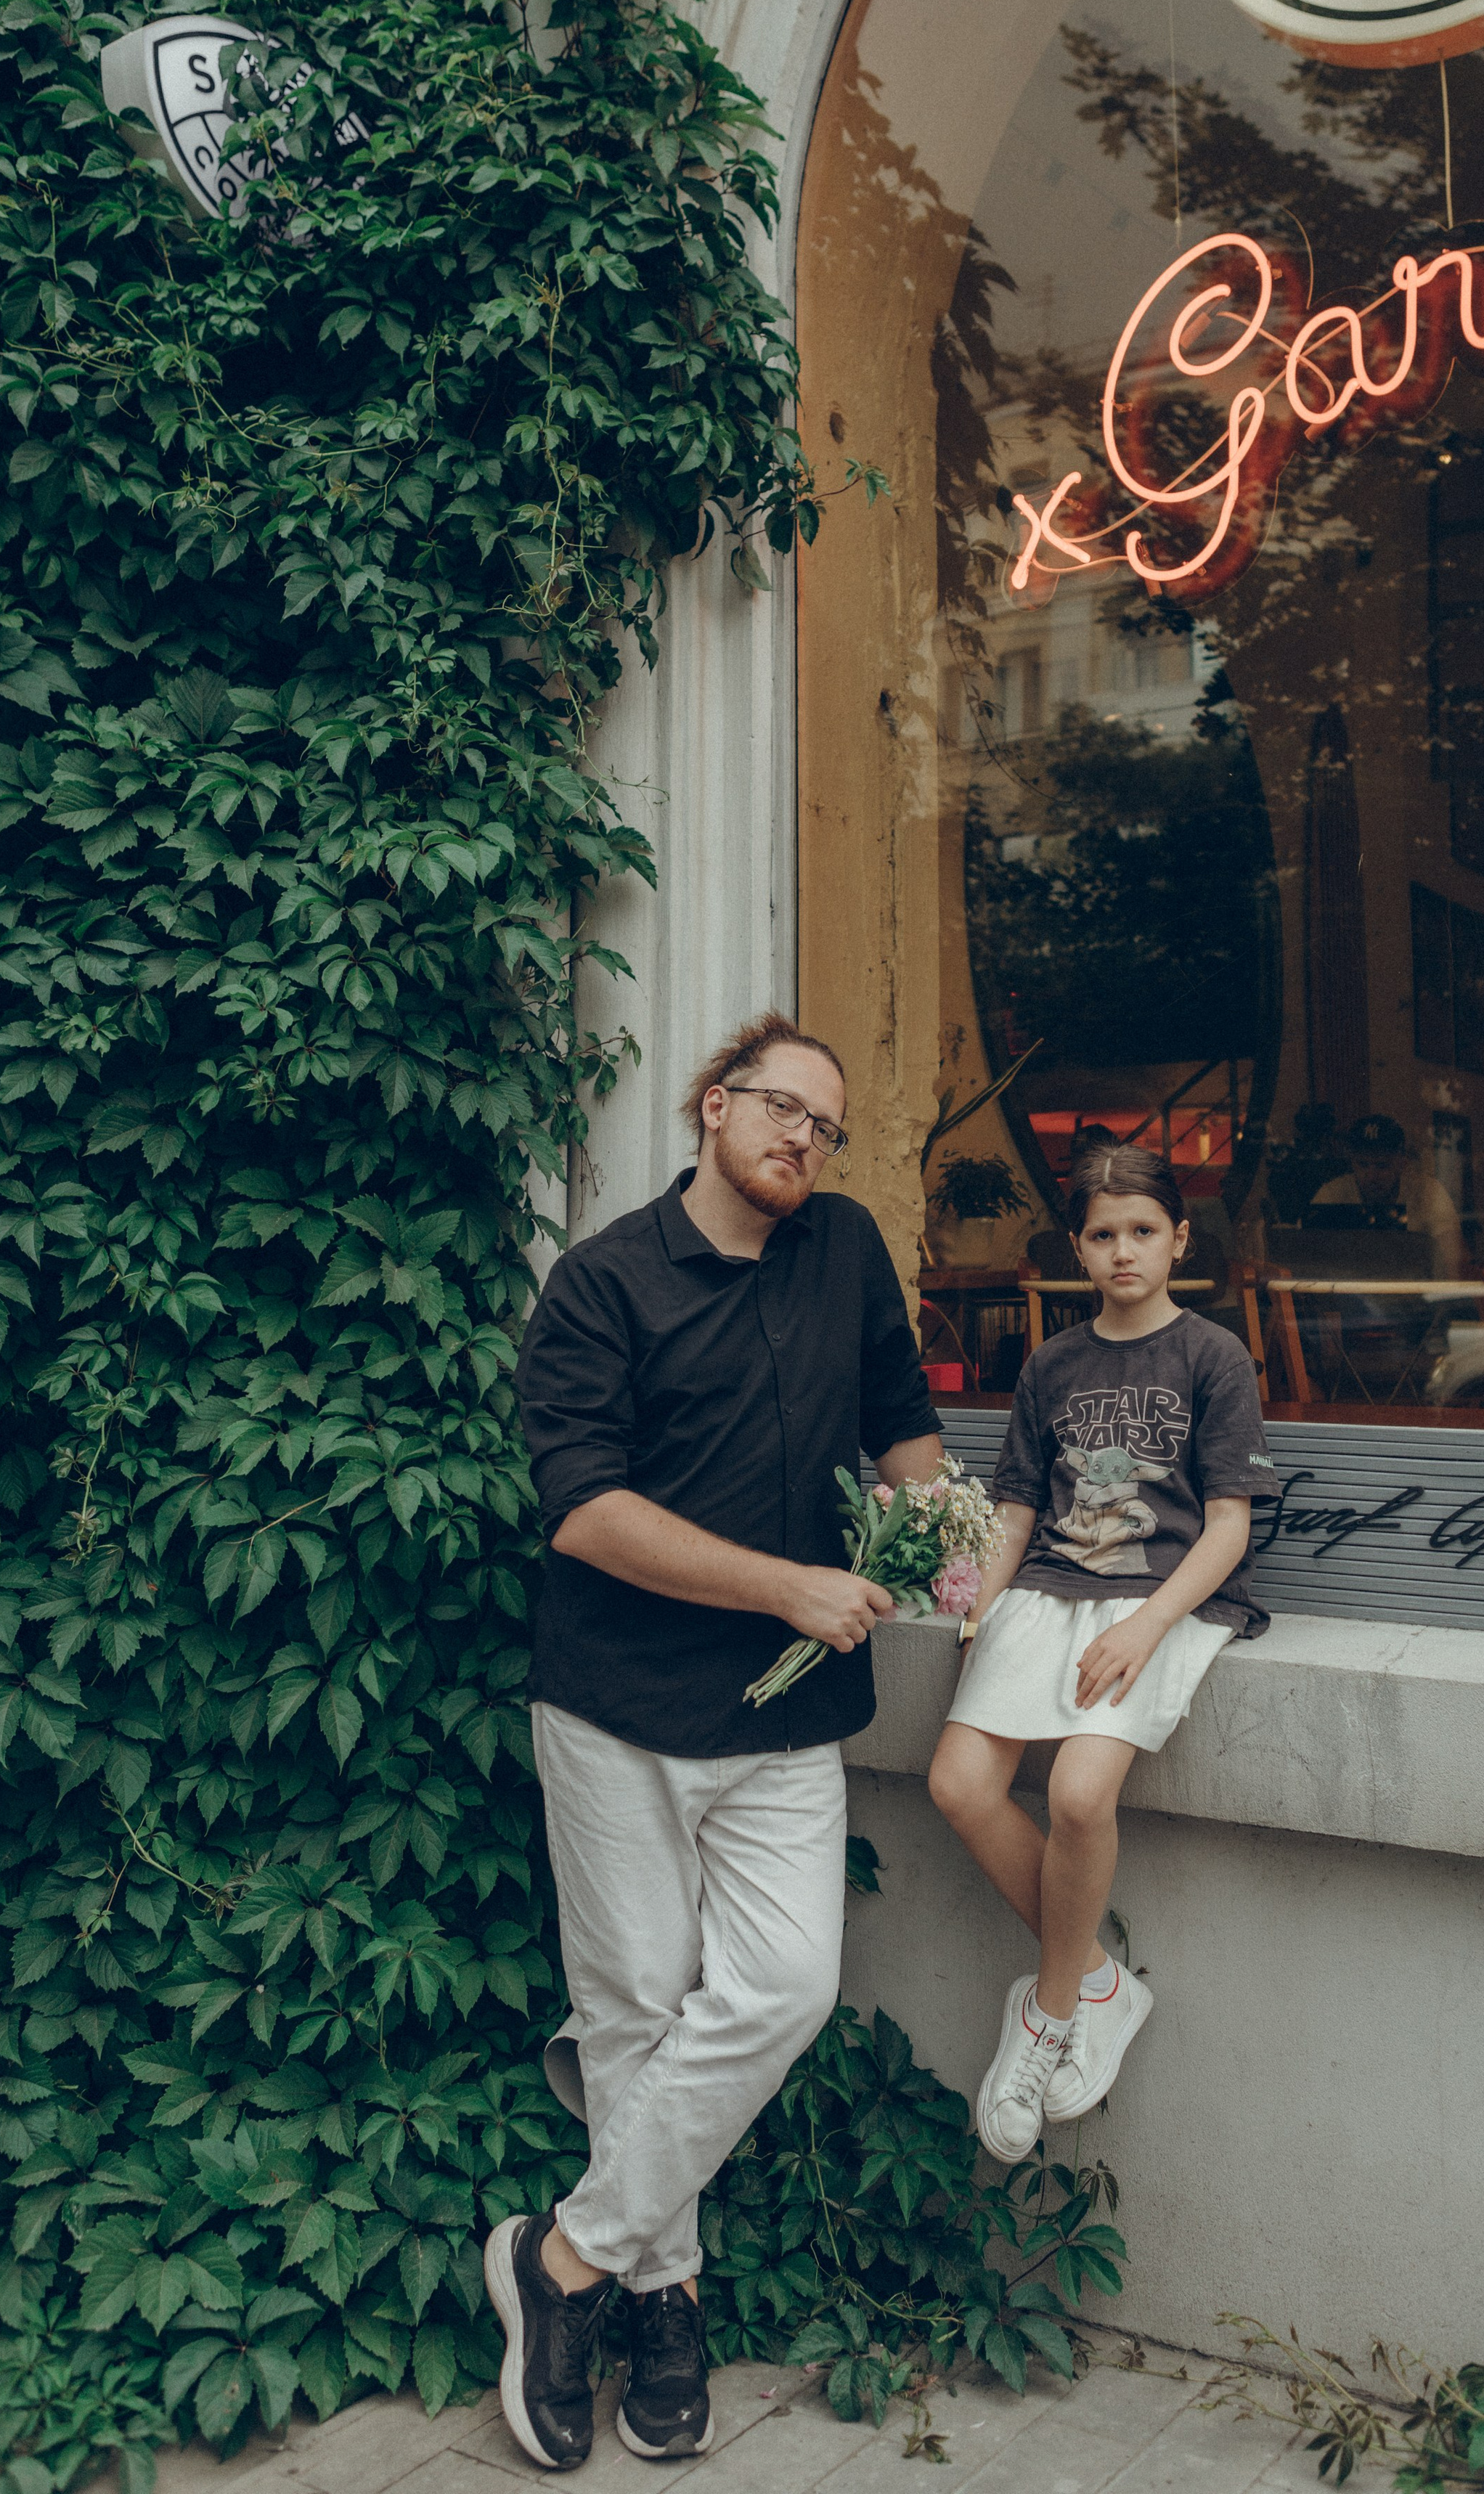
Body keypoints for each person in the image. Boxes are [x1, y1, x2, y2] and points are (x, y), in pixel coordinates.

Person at [497, 1013, 943, 2470]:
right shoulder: (601, 1284)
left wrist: (942, 1526)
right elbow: (583, 1510)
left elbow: (902, 1423)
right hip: (616, 1703)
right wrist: (787, 1585)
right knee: (631, 2002)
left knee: (780, 1990)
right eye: (779, 1109)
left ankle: (559, 2263)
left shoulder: (846, 1252)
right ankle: (665, 2304)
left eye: (824, 1125)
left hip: (784, 1720)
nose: (802, 1139)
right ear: (709, 1105)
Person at [927, 1143, 1276, 2159]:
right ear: (1079, 1249)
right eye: (1103, 1235)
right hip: (1049, 1591)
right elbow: (1019, 1506)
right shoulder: (1053, 1364)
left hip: (1158, 1598)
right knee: (958, 1782)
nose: (1124, 1251)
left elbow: (1226, 1527)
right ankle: (1098, 1985)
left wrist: (1147, 1624)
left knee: (1080, 1795)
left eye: (1143, 1231)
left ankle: (1044, 2015)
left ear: (1178, 1240)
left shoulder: (1213, 1356)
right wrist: (976, 1613)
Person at [1309, 1112, 1466, 1276]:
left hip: (1415, 1297)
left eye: (1382, 1165)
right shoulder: (1332, 1194)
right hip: (1349, 1296)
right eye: (1362, 1164)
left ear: (1402, 1163)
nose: (1371, 1176)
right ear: (1352, 1162)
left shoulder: (1427, 1192)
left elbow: (1454, 1257)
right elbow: (1305, 1251)